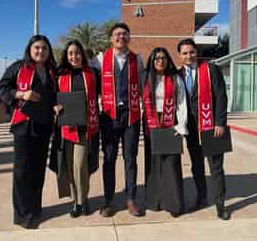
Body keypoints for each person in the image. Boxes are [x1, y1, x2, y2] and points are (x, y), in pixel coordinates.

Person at [0, 35, 57, 229]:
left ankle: (35, 208)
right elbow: (1, 88)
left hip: (44, 126)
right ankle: (22, 215)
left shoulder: (51, 71)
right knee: (23, 171)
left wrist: (56, 106)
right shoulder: (18, 67)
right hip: (24, 125)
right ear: (30, 49)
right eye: (37, 48)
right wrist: (22, 94)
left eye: (45, 48)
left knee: (38, 169)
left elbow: (55, 95)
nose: (41, 51)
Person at [177, 38, 230, 221]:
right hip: (191, 129)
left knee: (215, 167)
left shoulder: (210, 69)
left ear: (196, 52)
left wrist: (220, 122)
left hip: (211, 126)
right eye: (184, 53)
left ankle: (220, 205)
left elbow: (221, 96)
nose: (189, 55)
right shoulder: (178, 74)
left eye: (191, 52)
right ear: (180, 55)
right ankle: (201, 198)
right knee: (197, 166)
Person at [98, 22, 145, 217]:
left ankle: (131, 199)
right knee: (109, 159)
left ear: (129, 38)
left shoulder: (138, 60)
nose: (121, 37)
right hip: (108, 117)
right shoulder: (100, 60)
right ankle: (108, 200)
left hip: (131, 115)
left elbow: (145, 87)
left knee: (130, 158)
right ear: (111, 38)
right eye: (117, 34)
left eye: (125, 34)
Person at [49, 40, 100, 218]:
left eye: (77, 53)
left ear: (82, 55)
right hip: (65, 129)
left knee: (80, 165)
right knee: (69, 167)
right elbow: (51, 97)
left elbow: (105, 92)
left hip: (86, 128)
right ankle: (76, 201)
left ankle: (82, 200)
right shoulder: (59, 75)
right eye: (70, 53)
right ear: (66, 56)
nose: (74, 56)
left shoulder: (93, 73)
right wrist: (53, 107)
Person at [143, 47, 188, 217]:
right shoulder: (146, 78)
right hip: (151, 122)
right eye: (156, 58)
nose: (160, 61)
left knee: (171, 164)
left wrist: (181, 124)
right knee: (153, 163)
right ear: (152, 61)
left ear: (168, 60)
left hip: (170, 122)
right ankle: (154, 201)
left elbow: (182, 102)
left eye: (163, 58)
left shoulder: (175, 78)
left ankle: (173, 203)